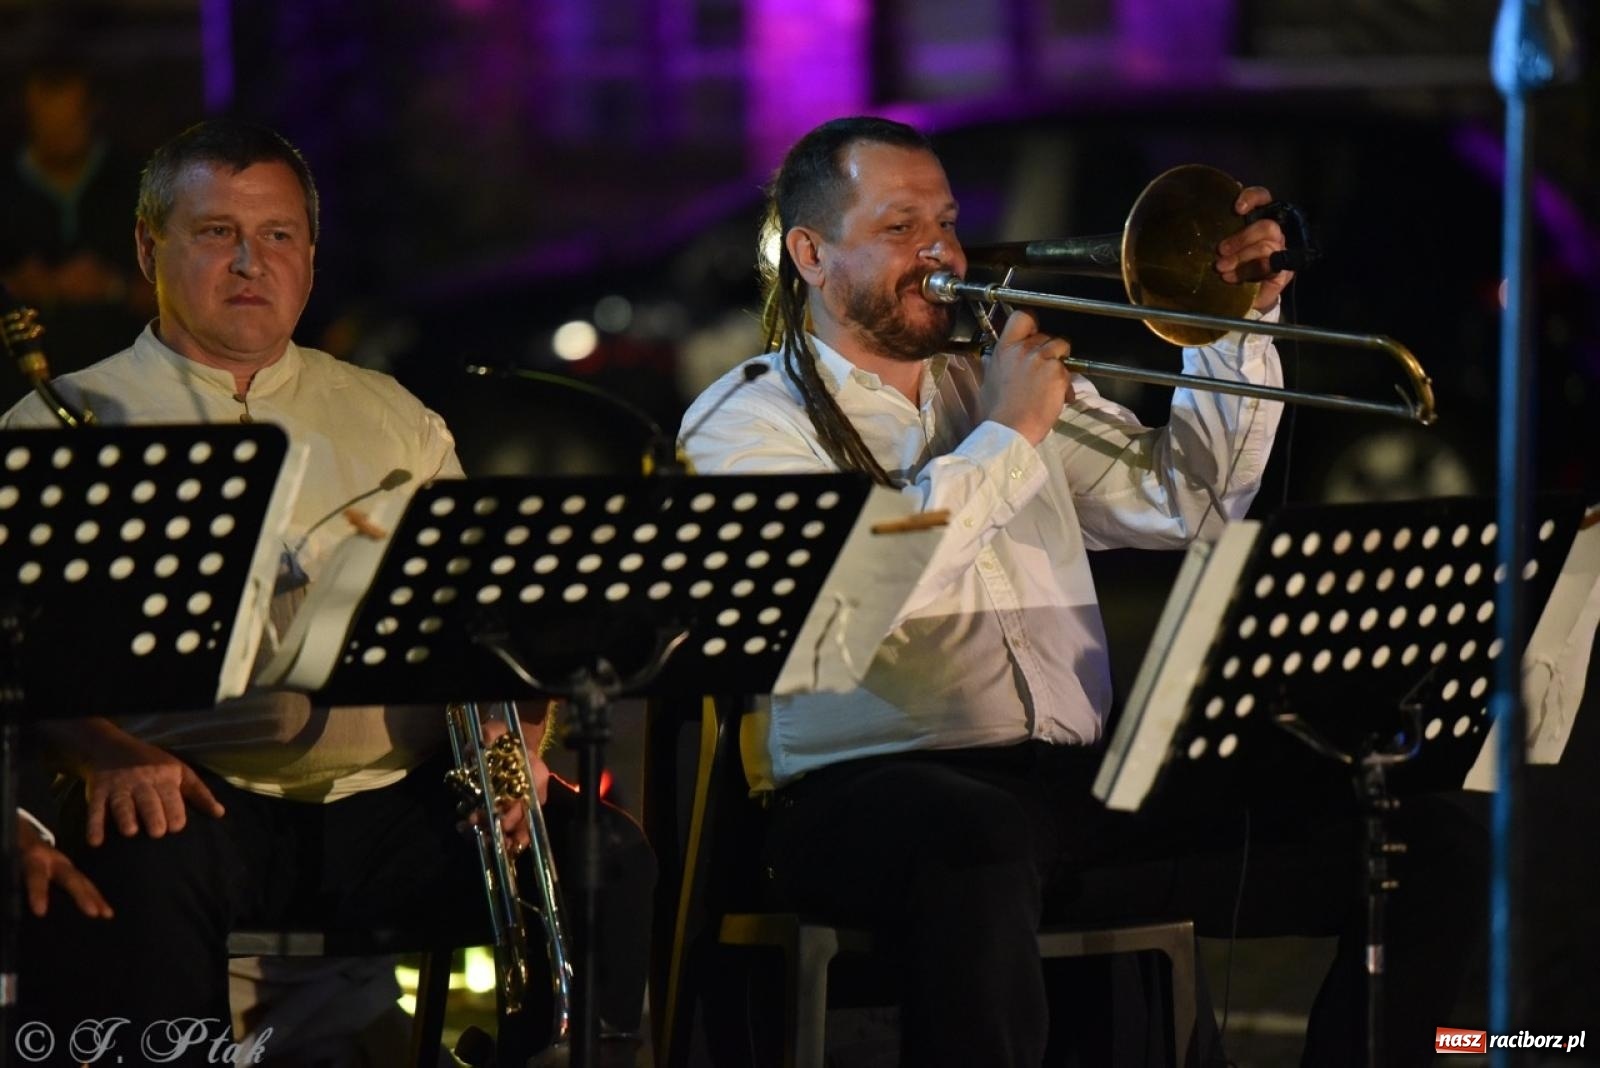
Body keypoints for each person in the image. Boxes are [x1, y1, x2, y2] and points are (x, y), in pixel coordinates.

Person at [679, 116, 1483, 1066]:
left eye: (945, 220)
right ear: (811, 254)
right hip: (860, 797)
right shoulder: (747, 418)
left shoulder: (990, 379)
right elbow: (856, 589)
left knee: (1430, 841)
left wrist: (1230, 327)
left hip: (1059, 793)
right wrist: (1008, 436)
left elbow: (1187, 501)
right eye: (900, 227)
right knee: (973, 836)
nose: (939, 249)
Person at [4, 119, 653, 1066]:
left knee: (601, 853)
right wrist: (97, 748)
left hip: (399, 800)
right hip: (193, 799)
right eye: (215, 233)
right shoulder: (65, 419)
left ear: (309, 256)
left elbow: (493, 629)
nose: (248, 263)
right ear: (150, 249)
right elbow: (16, 660)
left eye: (276, 236)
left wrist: (518, 764)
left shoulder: (393, 417)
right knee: (122, 867)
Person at [0, 58, 154, 402]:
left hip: (123, 383)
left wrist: (111, 286)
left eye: (67, 124)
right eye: (47, 124)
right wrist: (17, 289)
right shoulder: (6, 185)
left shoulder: (137, 183)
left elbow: (181, 294)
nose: (57, 136)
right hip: (16, 389)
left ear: (91, 114)